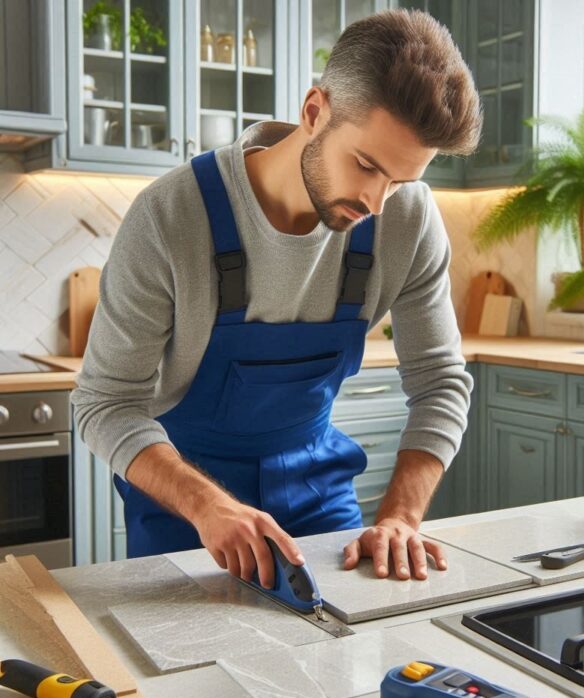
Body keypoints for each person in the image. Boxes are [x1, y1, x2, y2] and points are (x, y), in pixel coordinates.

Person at [72, 9, 481, 589]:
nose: (377, 203)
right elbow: (105, 403)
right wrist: (207, 506)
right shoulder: (170, 215)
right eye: (365, 165)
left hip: (319, 493)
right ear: (314, 112)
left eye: (401, 179)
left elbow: (441, 381)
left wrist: (400, 517)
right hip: (183, 504)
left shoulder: (407, 218)